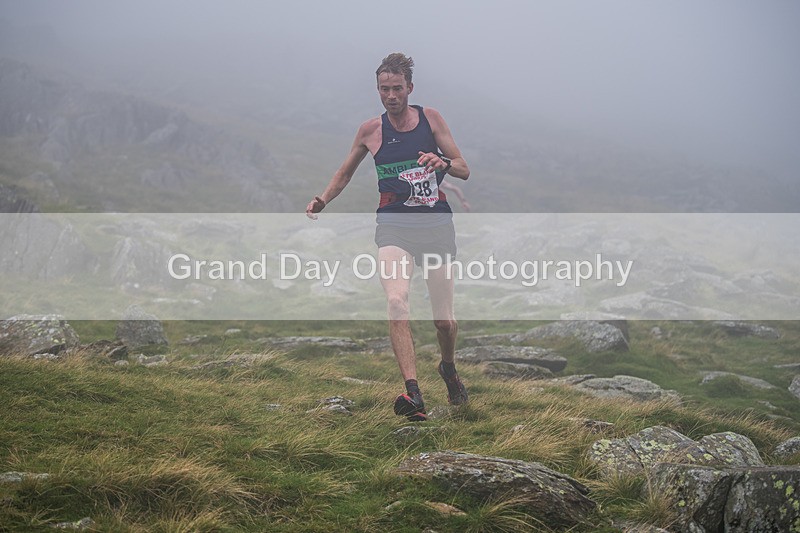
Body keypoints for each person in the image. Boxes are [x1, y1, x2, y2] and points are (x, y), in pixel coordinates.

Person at [306, 52, 470, 421]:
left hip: (436, 226)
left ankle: (448, 367)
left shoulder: (431, 119)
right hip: (394, 226)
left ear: (410, 88)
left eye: (398, 88)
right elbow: (345, 172)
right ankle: (413, 394)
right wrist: (322, 200)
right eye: (385, 89)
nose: (391, 95)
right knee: (397, 301)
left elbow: (463, 168)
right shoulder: (370, 131)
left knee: (444, 322)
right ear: (378, 90)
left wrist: (442, 162)